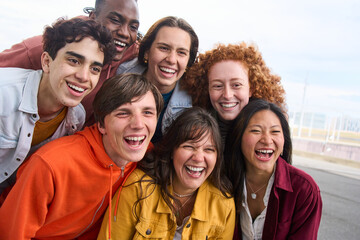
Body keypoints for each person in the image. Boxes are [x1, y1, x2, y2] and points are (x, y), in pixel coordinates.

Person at [0, 73, 164, 239]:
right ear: (101, 124)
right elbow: (12, 232)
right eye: (123, 113)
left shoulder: (145, 155)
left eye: (148, 113)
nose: (138, 124)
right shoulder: (52, 164)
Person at [0, 17, 115, 194]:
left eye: (95, 69)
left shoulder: (77, 118)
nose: (84, 77)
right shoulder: (4, 94)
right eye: (74, 61)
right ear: (47, 62)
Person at [97, 107, 235, 239]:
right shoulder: (137, 189)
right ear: (171, 152)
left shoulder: (223, 205)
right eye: (189, 146)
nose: (198, 158)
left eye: (209, 149)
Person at [0, 0, 140, 126]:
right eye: (115, 20)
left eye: (133, 27)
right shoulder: (40, 48)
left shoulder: (130, 50)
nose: (125, 33)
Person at [224, 99, 322, 240]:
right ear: (238, 137)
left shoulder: (304, 189)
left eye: (275, 131)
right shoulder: (224, 181)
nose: (267, 140)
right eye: (256, 130)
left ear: (284, 140)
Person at [183, 42, 286, 143]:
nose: (227, 95)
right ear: (207, 89)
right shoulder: (193, 130)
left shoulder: (272, 131)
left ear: (251, 89)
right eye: (218, 86)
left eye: (236, 85)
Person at [117, 16, 199, 143]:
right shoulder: (118, 76)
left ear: (189, 61)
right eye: (164, 48)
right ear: (146, 52)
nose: (171, 59)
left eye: (181, 52)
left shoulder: (194, 102)